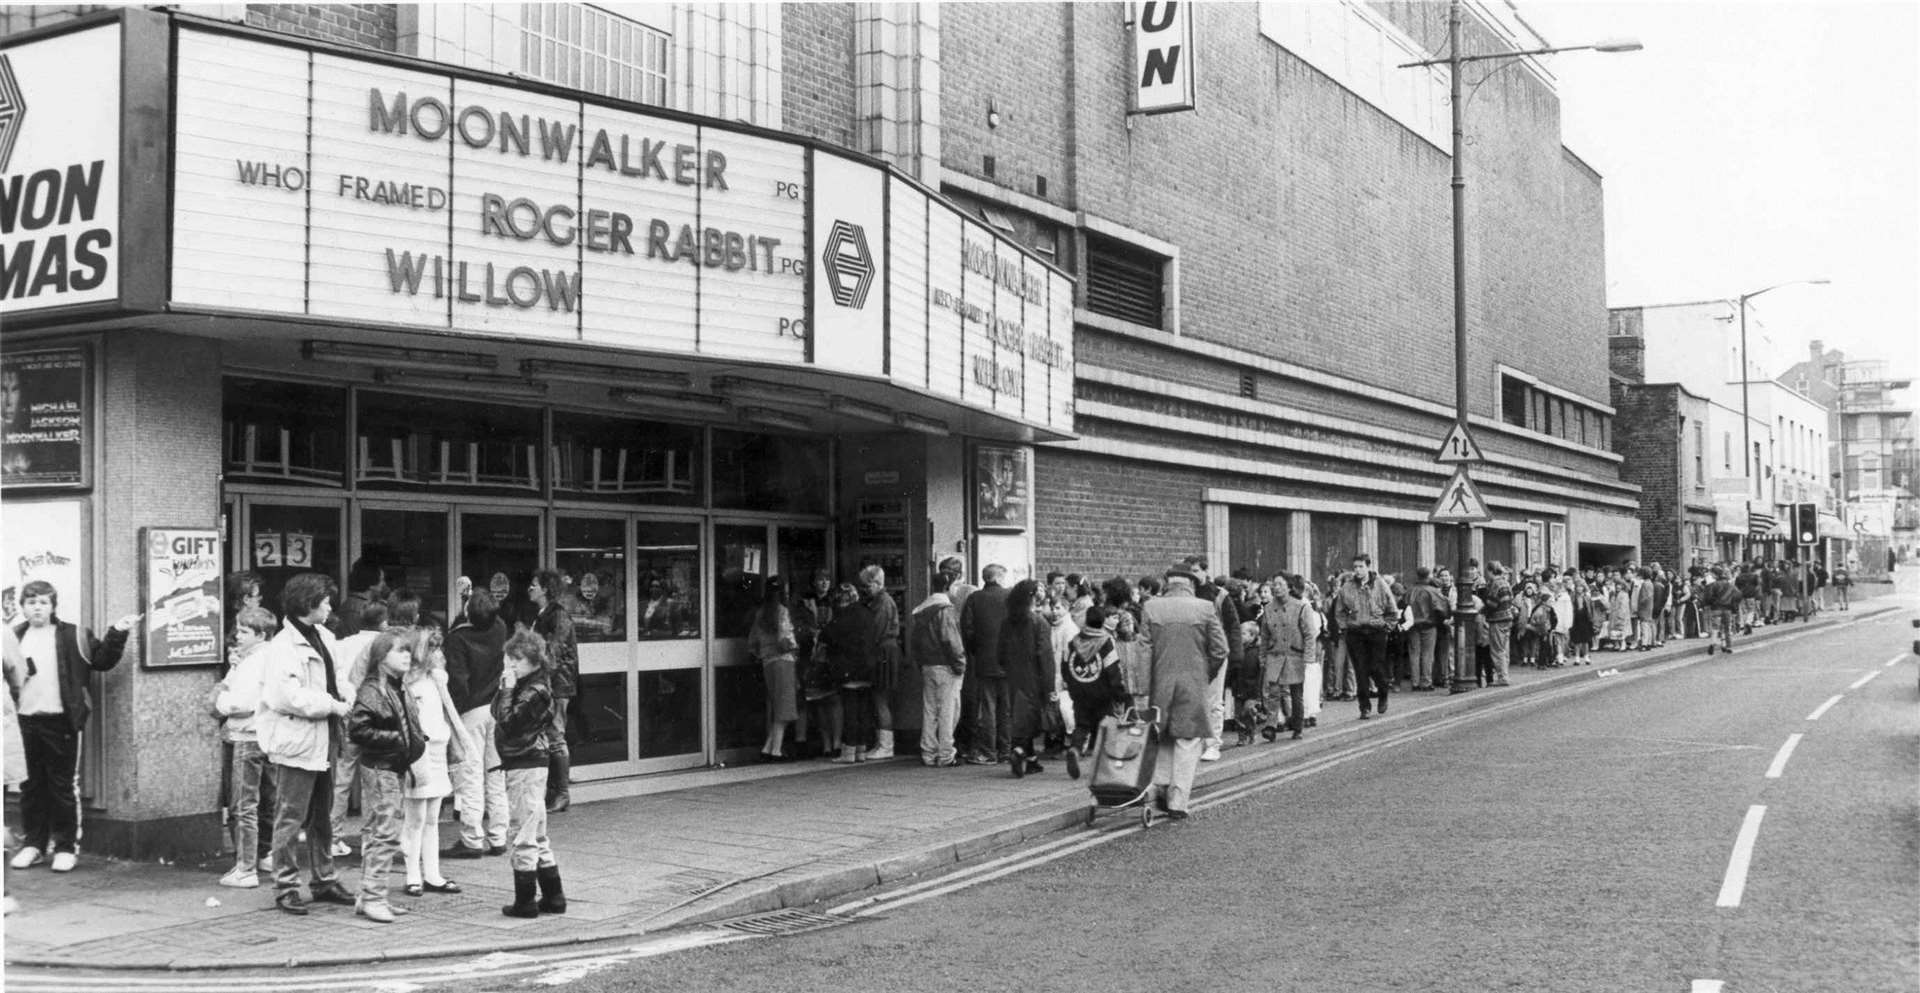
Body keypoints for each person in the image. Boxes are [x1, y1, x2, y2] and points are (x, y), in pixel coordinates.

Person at [4, 581, 138, 874]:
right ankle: (34, 845)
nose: (36, 607)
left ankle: (66, 847)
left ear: (53, 605)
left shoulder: (73, 634)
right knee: (30, 786)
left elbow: (102, 660)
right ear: (22, 606)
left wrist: (117, 632)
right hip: (24, 721)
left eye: (42, 602)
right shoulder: (14, 635)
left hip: (60, 721)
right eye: (31, 602)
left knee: (63, 786)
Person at [257, 572, 355, 914]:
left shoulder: (324, 637)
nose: (329, 606)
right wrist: (332, 703)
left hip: (325, 737)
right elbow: (287, 697)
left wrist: (345, 694)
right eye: (325, 600)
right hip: (298, 742)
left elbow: (339, 677)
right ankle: (285, 886)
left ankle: (324, 879)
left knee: (322, 817)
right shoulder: (282, 647)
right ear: (308, 603)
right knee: (291, 816)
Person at [345, 628, 423, 924]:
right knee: (385, 833)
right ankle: (374, 897)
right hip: (382, 768)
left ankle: (370, 896)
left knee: (383, 831)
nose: (407, 656)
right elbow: (358, 729)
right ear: (381, 657)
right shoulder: (373, 690)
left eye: (408, 650)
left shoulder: (394, 686)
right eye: (400, 651)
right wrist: (397, 740)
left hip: (393, 766)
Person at [1143, 562, 1228, 820]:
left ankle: (1159, 791)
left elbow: (1144, 651)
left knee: (1164, 737)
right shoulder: (1204, 608)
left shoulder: (1150, 607)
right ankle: (1178, 803)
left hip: (1161, 684)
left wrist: (1144, 687)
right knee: (1188, 741)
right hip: (1193, 682)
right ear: (1191, 583)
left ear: (1168, 583)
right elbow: (1220, 650)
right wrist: (1206, 673)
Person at [495, 630, 565, 918]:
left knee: (523, 831)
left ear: (535, 661)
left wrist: (508, 689)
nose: (511, 664)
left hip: (525, 763)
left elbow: (507, 721)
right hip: (527, 762)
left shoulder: (534, 690)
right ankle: (553, 896)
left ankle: (525, 901)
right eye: (509, 658)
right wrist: (506, 687)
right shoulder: (531, 684)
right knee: (536, 832)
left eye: (517, 659)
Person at [399, 626, 471, 900]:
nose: (438, 653)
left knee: (432, 818)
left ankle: (432, 874)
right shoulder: (408, 682)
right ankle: (413, 875)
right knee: (415, 819)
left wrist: (463, 745)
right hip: (419, 753)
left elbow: (449, 712)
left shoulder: (436, 679)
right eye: (433, 648)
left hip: (438, 750)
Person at [212, 606, 277, 888]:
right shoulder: (269, 657)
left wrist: (220, 703)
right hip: (266, 736)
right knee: (266, 800)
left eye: (243, 631)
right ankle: (264, 853)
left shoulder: (253, 663)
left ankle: (245, 866)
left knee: (242, 804)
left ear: (260, 634)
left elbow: (238, 703)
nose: (237, 636)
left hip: (244, 736)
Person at [442, 590, 510, 859]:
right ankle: (499, 836)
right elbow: (478, 617)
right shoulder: (499, 627)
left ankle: (472, 839)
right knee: (495, 774)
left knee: (470, 776)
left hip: (471, 710)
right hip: (497, 707)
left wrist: (454, 714)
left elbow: (458, 681)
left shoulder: (458, 638)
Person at [328, 600, 388, 859]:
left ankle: (333, 835)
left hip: (348, 713)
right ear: (384, 622)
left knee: (342, 775)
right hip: (373, 715)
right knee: (370, 777)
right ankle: (369, 838)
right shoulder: (385, 645)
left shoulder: (342, 644)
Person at [1059, 604, 1127, 777]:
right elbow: (1113, 669)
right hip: (1102, 693)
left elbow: (1065, 666)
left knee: (1082, 725)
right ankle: (1100, 763)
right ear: (1102, 621)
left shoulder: (1073, 642)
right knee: (1104, 727)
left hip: (1080, 692)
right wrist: (1119, 693)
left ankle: (1075, 749)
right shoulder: (1106, 642)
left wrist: (1071, 686)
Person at [529, 570, 577, 812]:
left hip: (556, 684)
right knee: (549, 735)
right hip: (549, 682)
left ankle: (562, 793)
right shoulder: (543, 614)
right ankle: (554, 790)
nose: (530, 588)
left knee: (556, 734)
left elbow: (554, 650)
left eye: (534, 585)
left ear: (545, 589)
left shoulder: (557, 615)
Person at [910, 568, 967, 768]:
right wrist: (960, 665)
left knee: (930, 710)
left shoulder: (921, 610)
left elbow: (915, 642)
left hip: (927, 665)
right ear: (948, 586)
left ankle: (928, 752)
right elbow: (951, 641)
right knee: (949, 711)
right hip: (946, 666)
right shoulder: (945, 610)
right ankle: (946, 754)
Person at [818, 580, 880, 763]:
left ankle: (848, 751)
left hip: (849, 669)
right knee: (863, 709)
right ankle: (861, 749)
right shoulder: (867, 613)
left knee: (850, 710)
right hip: (867, 668)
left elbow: (827, 635)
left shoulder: (843, 616)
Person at [1001, 579, 1056, 777]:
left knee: (1019, 717)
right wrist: (1050, 687)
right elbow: (1045, 656)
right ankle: (1019, 750)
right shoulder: (1039, 623)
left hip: (1013, 676)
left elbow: (1001, 651)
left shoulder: (1008, 622)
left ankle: (1030, 759)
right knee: (1033, 719)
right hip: (1034, 676)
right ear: (1032, 597)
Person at [1334, 554, 1398, 719]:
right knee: (1360, 670)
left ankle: (1383, 691)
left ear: (1368, 566)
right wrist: (1344, 627)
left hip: (1376, 631)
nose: (1357, 570)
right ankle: (1365, 707)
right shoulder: (1347, 587)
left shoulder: (1380, 584)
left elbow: (1392, 609)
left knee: (1376, 667)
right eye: (1355, 567)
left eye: (1361, 566)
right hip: (1356, 633)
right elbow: (1339, 611)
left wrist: (1388, 626)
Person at [960, 564, 1011, 765]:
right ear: (998, 577)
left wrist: (977, 651)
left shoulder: (974, 599)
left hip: (984, 662)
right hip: (1009, 663)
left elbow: (967, 630)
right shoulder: (1011, 597)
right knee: (1006, 709)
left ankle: (988, 751)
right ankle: (1006, 751)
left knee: (988, 708)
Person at [1259, 574, 1321, 741]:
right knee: (1272, 691)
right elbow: (1264, 636)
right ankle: (1271, 726)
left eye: (1280, 584)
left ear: (1289, 586)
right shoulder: (1268, 609)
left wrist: (1308, 657)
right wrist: (1262, 656)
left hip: (1295, 656)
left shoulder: (1301, 607)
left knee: (1296, 693)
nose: (1275, 587)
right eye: (1274, 584)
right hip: (1275, 654)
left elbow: (1310, 634)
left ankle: (1297, 726)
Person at [749, 576, 800, 762]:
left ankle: (768, 748)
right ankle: (776, 751)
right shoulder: (782, 611)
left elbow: (753, 642)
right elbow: (785, 640)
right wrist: (796, 648)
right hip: (784, 662)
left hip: (767, 663)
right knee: (784, 709)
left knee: (777, 706)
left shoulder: (761, 613)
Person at [855, 565, 903, 761]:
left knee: (880, 699)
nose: (865, 589)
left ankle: (885, 745)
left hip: (882, 651)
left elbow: (874, 631)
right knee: (880, 699)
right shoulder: (883, 601)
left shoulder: (882, 603)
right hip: (886, 650)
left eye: (867, 585)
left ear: (877, 583)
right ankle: (883, 743)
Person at [1406, 567, 1445, 691]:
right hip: (1429, 624)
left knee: (1414, 653)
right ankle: (1426, 682)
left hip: (1413, 625)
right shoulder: (1432, 591)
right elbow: (1441, 608)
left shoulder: (1410, 591)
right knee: (1428, 654)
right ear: (1428, 576)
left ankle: (1415, 682)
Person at [1704, 567, 1741, 655]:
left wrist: (1711, 603)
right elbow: (1738, 595)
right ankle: (1727, 646)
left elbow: (1708, 597)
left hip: (1716, 609)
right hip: (1728, 609)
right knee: (1727, 628)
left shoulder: (1713, 585)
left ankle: (1713, 643)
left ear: (1715, 574)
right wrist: (1734, 608)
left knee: (1715, 627)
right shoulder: (1731, 585)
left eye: (1711, 573)